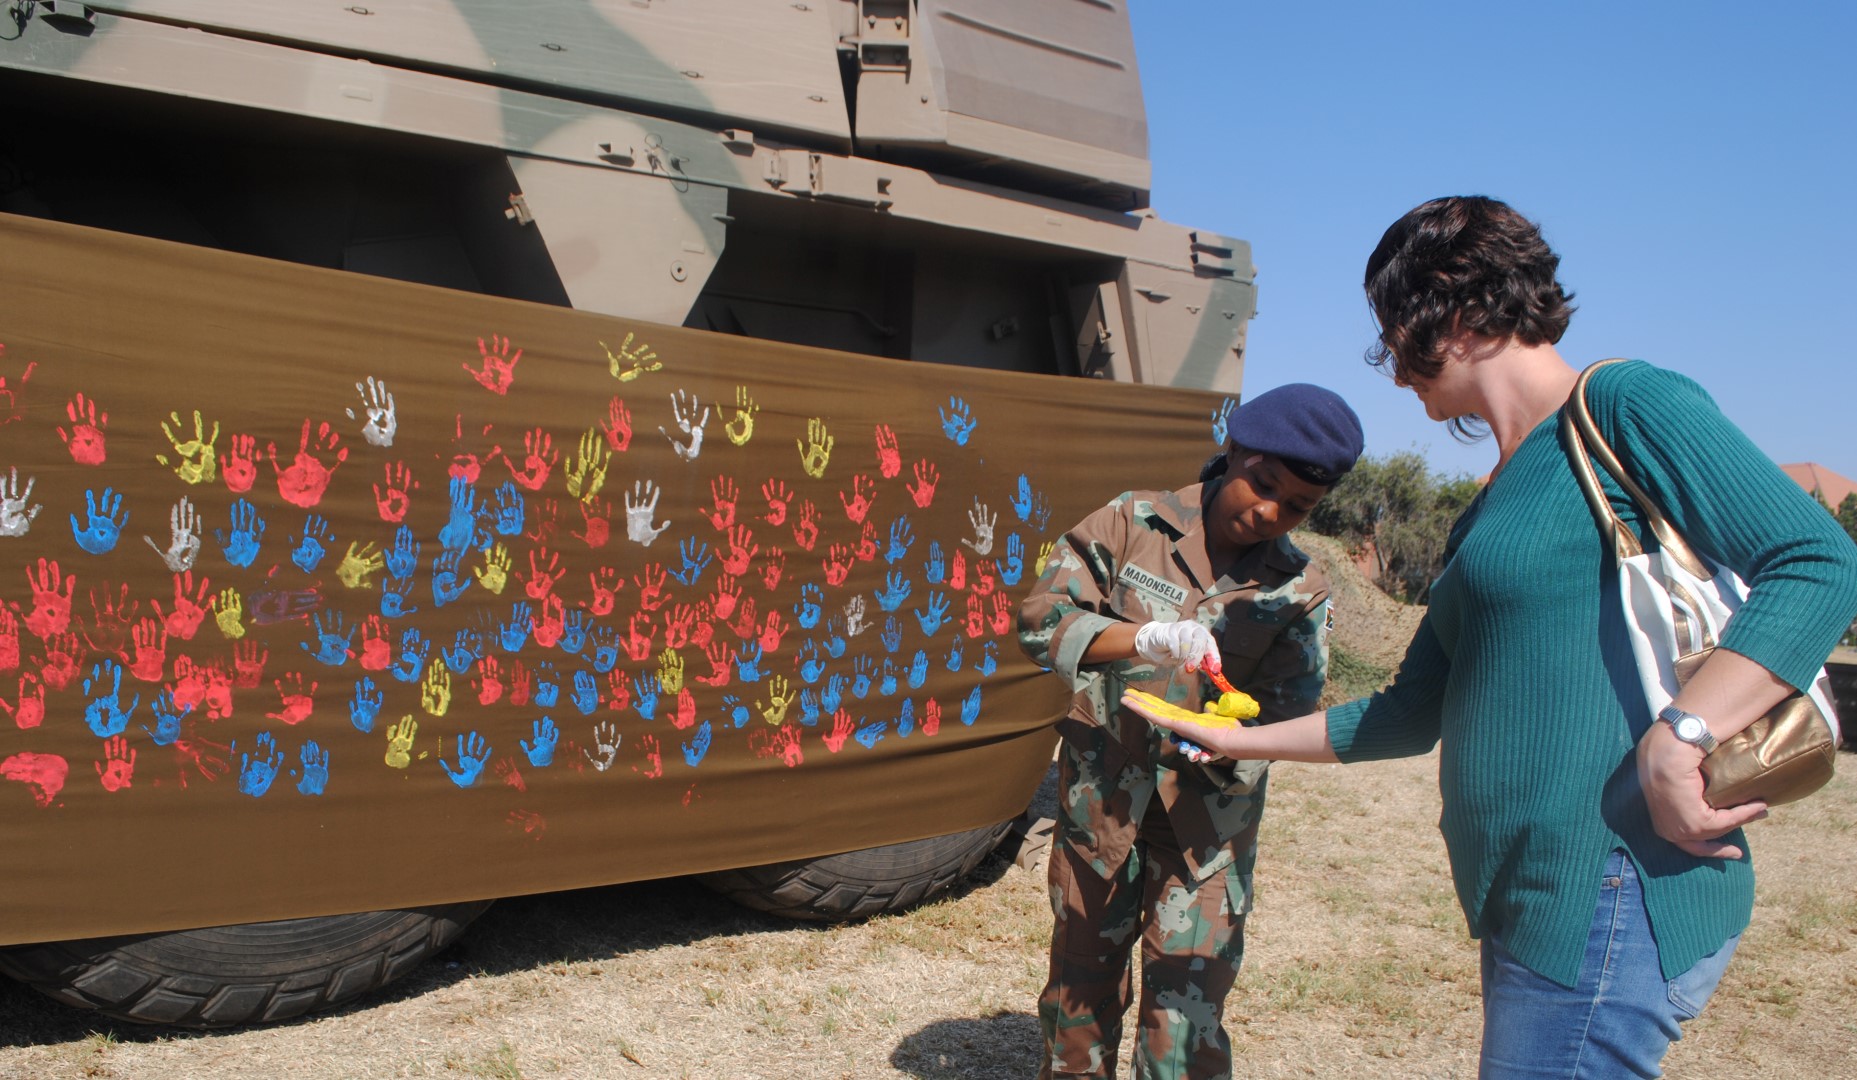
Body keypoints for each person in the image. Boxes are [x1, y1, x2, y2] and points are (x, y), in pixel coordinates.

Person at [1126, 195, 1857, 1078]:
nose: (1394, 369)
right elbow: (1410, 710)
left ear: (1447, 305)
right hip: (1531, 892)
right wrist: (1234, 738)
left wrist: (1680, 737)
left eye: (1395, 335)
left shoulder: (1622, 404)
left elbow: (1817, 561)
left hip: (1611, 882)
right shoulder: (1490, 505)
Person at [1017, 383, 1363, 1079]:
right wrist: (1139, 636)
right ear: (1231, 451)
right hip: (1102, 806)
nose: (1269, 513)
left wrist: (1228, 737)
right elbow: (1039, 619)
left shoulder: (1297, 587)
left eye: (1296, 506)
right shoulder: (1130, 522)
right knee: (1078, 992)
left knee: (1186, 1008)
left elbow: (1286, 711)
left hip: (1206, 825)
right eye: (1262, 485)